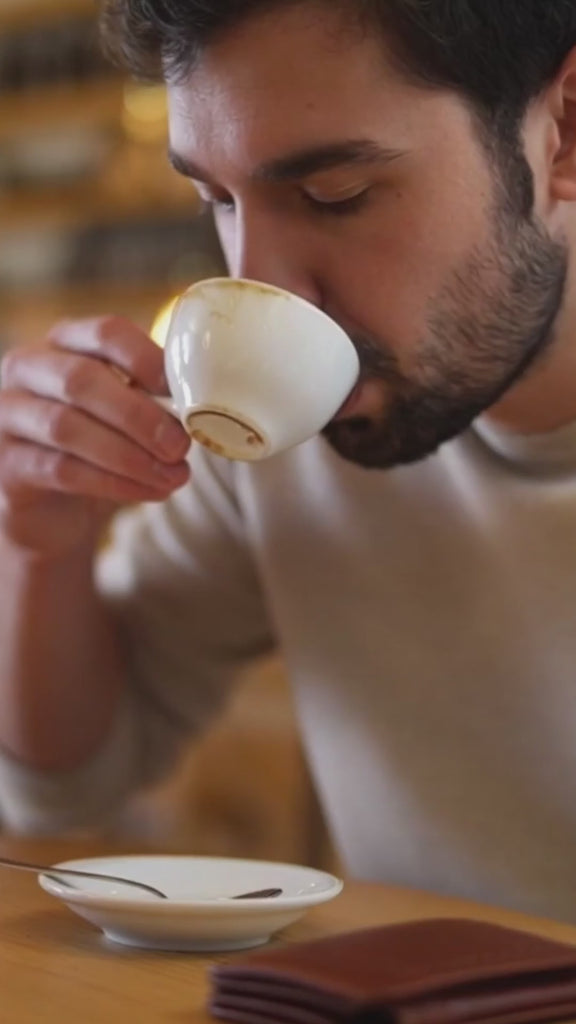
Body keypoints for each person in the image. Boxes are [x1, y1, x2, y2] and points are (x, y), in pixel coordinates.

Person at [1, 0, 576, 922]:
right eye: (218, 202)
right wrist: (39, 546)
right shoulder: (289, 434)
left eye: (334, 195)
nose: (258, 287)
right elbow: (66, 785)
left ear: (564, 132)